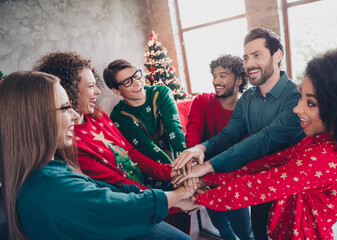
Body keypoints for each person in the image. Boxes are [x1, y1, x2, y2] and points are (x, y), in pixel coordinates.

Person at [0, 71, 198, 240]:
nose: (74, 115)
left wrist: (172, 196)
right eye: (64, 108)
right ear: (35, 119)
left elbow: (109, 188)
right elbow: (116, 208)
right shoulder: (51, 188)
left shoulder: (51, 170)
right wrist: (177, 194)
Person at [192, 47, 337, 240]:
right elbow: (268, 163)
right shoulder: (319, 140)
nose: (297, 108)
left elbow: (257, 185)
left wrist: (194, 197)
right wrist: (208, 179)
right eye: (301, 97)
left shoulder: (325, 155)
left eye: (310, 103)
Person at [173, 27, 306, 239]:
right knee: (257, 234)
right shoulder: (248, 98)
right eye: (246, 58)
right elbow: (229, 134)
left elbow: (264, 140)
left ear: (277, 55)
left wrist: (207, 166)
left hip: (290, 190)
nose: (249, 64)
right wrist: (201, 147)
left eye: (256, 55)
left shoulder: (296, 97)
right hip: (257, 185)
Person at [33, 51, 174, 190]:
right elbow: (119, 185)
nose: (98, 91)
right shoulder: (70, 143)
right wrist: (169, 201)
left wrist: (170, 172)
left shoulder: (99, 116)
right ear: (68, 91)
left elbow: (130, 153)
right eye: (90, 86)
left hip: (149, 195)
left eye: (95, 84)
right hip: (138, 202)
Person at [103, 59, 191, 233]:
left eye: (136, 75)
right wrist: (179, 176)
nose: (137, 82)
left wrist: (187, 168)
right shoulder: (119, 116)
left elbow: (175, 130)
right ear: (116, 90)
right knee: (166, 224)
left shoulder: (161, 92)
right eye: (127, 81)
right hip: (153, 173)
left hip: (178, 164)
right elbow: (148, 149)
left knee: (184, 217)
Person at [186, 54, 252, 240]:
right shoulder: (202, 101)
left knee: (243, 230)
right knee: (223, 228)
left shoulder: (248, 110)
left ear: (239, 79)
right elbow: (193, 132)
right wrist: (193, 166)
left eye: (223, 75)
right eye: (214, 76)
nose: (216, 81)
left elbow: (244, 151)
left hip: (233, 178)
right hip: (205, 176)